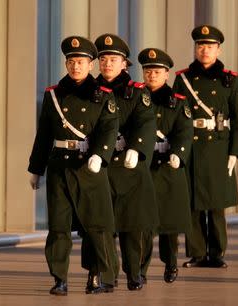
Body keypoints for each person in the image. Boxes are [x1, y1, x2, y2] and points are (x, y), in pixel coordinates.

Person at [28, 36, 118, 295]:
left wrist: (100, 156)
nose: (75, 66)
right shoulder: (53, 95)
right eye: (71, 61)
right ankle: (60, 278)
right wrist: (36, 168)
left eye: (80, 61)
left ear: (91, 65)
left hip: (89, 168)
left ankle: (95, 275)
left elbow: (109, 130)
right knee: (58, 227)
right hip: (60, 167)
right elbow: (44, 134)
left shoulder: (103, 96)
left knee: (95, 227)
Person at [173, 25, 238, 268]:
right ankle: (196, 253)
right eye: (200, 45)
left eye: (210, 46)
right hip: (191, 145)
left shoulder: (230, 80)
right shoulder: (182, 79)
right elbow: (174, 115)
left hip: (218, 146)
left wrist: (236, 151)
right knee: (192, 201)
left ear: (218, 49)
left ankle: (216, 253)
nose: (204, 50)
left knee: (216, 203)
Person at [89, 33, 158, 291]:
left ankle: (135, 271)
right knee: (98, 224)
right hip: (99, 166)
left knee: (133, 224)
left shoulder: (137, 92)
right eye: (104, 58)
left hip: (128, 165)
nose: (107, 63)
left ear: (124, 64)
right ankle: (100, 273)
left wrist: (137, 149)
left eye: (113, 59)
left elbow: (147, 123)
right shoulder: (90, 91)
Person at [138, 48, 193, 283]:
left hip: (168, 168)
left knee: (169, 224)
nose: (152, 75)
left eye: (157, 71)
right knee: (143, 223)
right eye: (148, 71)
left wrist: (178, 154)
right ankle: (139, 269)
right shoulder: (135, 98)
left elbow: (185, 131)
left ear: (167, 74)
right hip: (144, 167)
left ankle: (171, 264)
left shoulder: (177, 101)